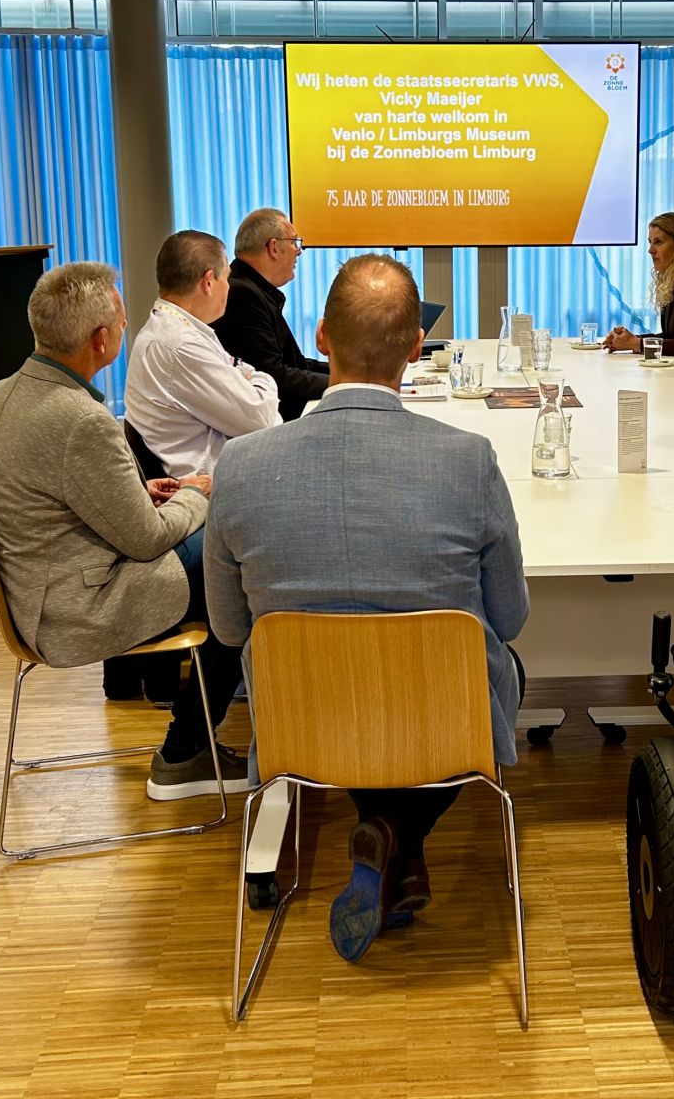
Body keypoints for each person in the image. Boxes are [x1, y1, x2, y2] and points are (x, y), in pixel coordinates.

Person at [205, 253, 529, 964]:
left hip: (303, 725)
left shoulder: (240, 466)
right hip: (441, 722)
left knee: (347, 691)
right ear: (418, 347)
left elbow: (230, 630)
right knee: (503, 672)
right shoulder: (468, 460)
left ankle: (384, 829)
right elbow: (509, 618)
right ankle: (397, 832)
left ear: (320, 337)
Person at [0, 261, 248, 800]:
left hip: (40, 591)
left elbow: (46, 499)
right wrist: (199, 492)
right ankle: (185, 750)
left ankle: (205, 727)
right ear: (100, 340)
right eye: (122, 322)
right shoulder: (80, 420)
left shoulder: (2, 395)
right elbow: (146, 539)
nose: (127, 330)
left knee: (223, 551)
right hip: (78, 607)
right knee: (234, 565)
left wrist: (145, 492)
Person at [124, 231, 281, 477]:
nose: (228, 287)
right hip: (214, 489)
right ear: (208, 282)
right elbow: (260, 417)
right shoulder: (179, 344)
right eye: (227, 278)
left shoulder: (180, 329)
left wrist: (250, 380)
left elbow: (242, 377)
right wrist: (264, 381)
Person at [211, 208, 328, 420]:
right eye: (294, 242)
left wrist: (346, 373)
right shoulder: (242, 294)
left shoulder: (253, 290)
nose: (299, 251)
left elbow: (295, 364)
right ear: (274, 247)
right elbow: (274, 375)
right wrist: (342, 383)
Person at [602, 212, 674, 357]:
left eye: (658, 242)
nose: (650, 250)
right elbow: (670, 336)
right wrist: (629, 340)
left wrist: (635, 344)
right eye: (650, 242)